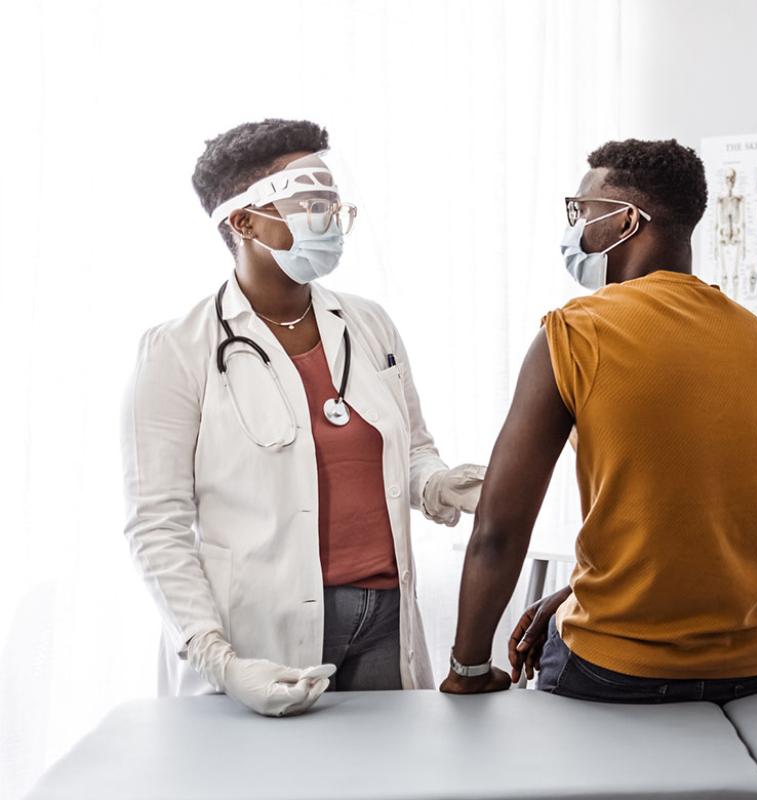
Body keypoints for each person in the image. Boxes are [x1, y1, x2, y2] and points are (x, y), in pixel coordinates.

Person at [121, 119, 485, 717]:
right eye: (309, 201)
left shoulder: (370, 325)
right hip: (257, 632)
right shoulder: (176, 350)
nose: (329, 215)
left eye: (331, 200)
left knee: (387, 779)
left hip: (384, 615)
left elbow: (412, 449)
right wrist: (218, 658)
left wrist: (440, 483)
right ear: (242, 221)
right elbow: (156, 525)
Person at [439, 139, 757, 703]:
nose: (575, 229)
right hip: (752, 665)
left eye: (582, 212)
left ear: (626, 221)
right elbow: (695, 518)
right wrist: (572, 596)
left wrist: (468, 668)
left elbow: (498, 531)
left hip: (615, 669)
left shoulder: (576, 331)